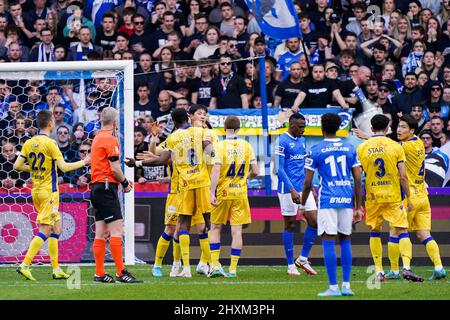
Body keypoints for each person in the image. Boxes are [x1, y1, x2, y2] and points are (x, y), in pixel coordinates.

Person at [126, 108, 214, 277]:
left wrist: (136, 164)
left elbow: (159, 159)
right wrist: (154, 137)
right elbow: (157, 153)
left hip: (185, 186)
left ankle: (197, 265)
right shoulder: (200, 132)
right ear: (189, 117)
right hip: (192, 186)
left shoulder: (174, 138)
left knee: (187, 225)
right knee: (177, 228)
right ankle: (170, 265)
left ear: (173, 122)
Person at [14, 110, 90, 281]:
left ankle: (56, 269)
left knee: (57, 228)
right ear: (50, 123)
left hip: (36, 190)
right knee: (46, 229)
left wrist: (34, 169)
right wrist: (84, 162)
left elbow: (17, 165)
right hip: (49, 191)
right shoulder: (51, 144)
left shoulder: (29, 142)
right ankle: (25, 264)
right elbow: (64, 168)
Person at [299, 113, 363, 296]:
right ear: (338, 127)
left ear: (322, 127)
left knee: (328, 239)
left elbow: (307, 183)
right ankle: (347, 286)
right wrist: (358, 206)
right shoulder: (350, 148)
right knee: (345, 239)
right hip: (346, 198)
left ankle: (333, 287)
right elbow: (358, 179)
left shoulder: (316, 150)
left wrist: (303, 206)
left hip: (327, 200)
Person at [357, 114, 423, 282]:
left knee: (375, 232)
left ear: (371, 129)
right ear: (388, 129)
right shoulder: (396, 147)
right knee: (402, 231)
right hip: (393, 196)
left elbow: (359, 176)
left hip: (373, 196)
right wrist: (408, 196)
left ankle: (379, 271)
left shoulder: (362, 148)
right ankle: (406, 268)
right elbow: (403, 176)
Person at [385, 115, 446, 280]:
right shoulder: (419, 142)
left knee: (396, 231)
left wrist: (370, 137)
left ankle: (400, 269)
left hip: (409, 196)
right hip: (423, 195)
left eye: (403, 127)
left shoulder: (404, 147)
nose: (399, 129)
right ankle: (439, 267)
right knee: (423, 234)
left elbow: (385, 147)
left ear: (412, 130)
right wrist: (403, 116)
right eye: (398, 126)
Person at [89, 107, 141, 283]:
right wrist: (125, 183)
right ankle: (121, 273)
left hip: (96, 187)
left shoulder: (97, 138)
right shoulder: (110, 139)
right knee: (116, 231)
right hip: (105, 187)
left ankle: (100, 273)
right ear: (115, 122)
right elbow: (115, 168)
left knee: (101, 233)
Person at [208, 116, 259, 278]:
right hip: (240, 192)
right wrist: (245, 177)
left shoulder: (219, 146)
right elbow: (256, 171)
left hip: (223, 191)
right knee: (237, 231)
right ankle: (232, 269)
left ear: (224, 128)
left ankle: (215, 265)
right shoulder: (247, 146)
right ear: (239, 129)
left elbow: (216, 170)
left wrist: (211, 192)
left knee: (215, 227)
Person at [274, 113, 319, 276]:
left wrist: (312, 186)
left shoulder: (302, 140)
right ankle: (289, 265)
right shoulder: (281, 141)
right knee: (290, 225)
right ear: (291, 125)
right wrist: (292, 189)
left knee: (314, 222)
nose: (303, 129)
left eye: (304, 126)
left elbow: (303, 166)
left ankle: (302, 258)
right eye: (300, 127)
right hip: (287, 190)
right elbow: (279, 169)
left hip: (304, 188)